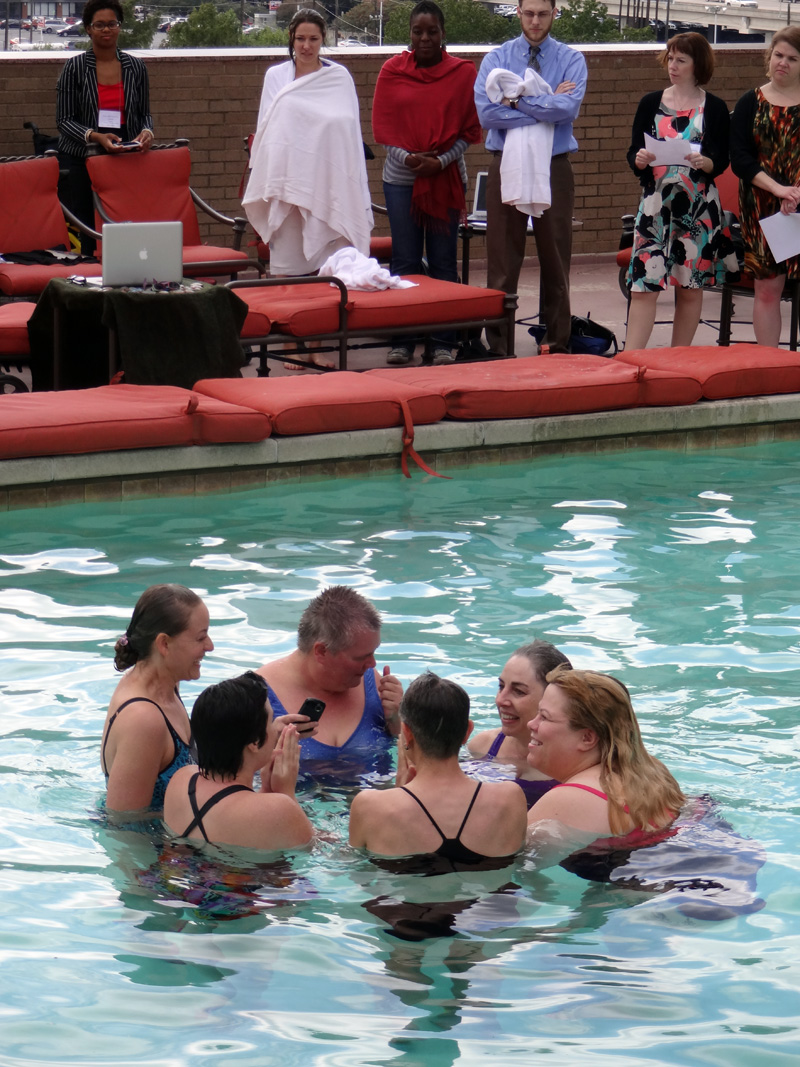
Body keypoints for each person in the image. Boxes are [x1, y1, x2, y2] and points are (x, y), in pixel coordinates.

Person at [372, 0, 481, 366]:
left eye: (432, 31)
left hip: (446, 178)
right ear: (410, 33)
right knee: (404, 261)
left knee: (443, 262)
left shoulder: (463, 73)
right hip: (401, 179)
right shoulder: (392, 71)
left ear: (443, 33)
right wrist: (411, 160)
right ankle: (403, 340)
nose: (424, 38)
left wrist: (440, 161)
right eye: (418, 31)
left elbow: (469, 129)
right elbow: (384, 129)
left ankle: (442, 342)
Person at [474, 0, 587, 356]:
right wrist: (544, 104)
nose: (535, 21)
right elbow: (487, 115)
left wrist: (515, 103)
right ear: (518, 13)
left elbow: (567, 109)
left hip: (554, 165)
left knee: (555, 257)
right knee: (503, 260)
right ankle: (499, 345)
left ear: (555, 13)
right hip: (505, 162)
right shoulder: (496, 59)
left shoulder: (572, 60)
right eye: (528, 13)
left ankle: (555, 341)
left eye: (542, 13)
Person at [243, 10, 373, 290]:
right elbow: (269, 132)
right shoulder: (276, 77)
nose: (306, 45)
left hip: (329, 185)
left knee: (326, 276)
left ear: (322, 39)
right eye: (300, 38)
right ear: (291, 39)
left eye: (313, 38)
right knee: (287, 271)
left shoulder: (339, 77)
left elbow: (349, 133)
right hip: (289, 186)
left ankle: (318, 335)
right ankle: (288, 332)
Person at [625, 33, 738, 351]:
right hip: (655, 207)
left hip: (697, 209)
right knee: (643, 284)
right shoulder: (650, 102)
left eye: (680, 60)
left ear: (697, 65)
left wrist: (706, 161)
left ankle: (679, 359)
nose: (672, 65)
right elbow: (635, 149)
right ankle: (630, 359)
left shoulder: (714, 107)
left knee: (690, 286)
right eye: (670, 58)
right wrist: (639, 159)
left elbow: (722, 159)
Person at [349, 671, 527, 869]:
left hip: (403, 899)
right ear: (467, 731)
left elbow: (358, 877)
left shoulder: (369, 807)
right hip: (492, 899)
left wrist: (398, 794)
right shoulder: (510, 798)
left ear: (406, 733)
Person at [526, 665, 685, 846]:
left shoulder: (568, 799)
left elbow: (514, 868)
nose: (531, 723)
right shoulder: (653, 773)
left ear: (587, 738)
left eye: (544, 717)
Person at [255, 586, 403, 780]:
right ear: (322, 651)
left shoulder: (372, 683)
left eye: (373, 652)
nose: (372, 664)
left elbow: (419, 759)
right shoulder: (257, 697)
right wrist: (265, 744)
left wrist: (397, 721)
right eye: (361, 658)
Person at [164, 672, 313, 850]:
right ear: (255, 742)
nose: (275, 729)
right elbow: (312, 848)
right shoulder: (280, 809)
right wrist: (286, 792)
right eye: (271, 721)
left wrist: (266, 789)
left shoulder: (181, 779)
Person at [102, 584, 213, 812]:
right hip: (160, 847)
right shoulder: (143, 719)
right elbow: (124, 826)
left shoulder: (168, 684)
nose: (209, 646)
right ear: (164, 644)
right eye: (200, 638)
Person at [56, 0, 154, 252]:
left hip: (125, 153)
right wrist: (94, 136)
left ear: (120, 27)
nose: (106, 30)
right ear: (88, 29)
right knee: (87, 222)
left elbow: (145, 113)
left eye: (112, 24)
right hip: (83, 154)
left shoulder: (136, 67)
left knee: (124, 218)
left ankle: (124, 272)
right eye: (99, 25)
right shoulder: (74, 67)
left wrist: (147, 131)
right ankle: (90, 275)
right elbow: (64, 120)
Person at [730, 26, 800, 347]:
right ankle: (769, 364)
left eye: (793, 58)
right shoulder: (750, 102)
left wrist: (796, 192)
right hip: (762, 208)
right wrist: (778, 190)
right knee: (768, 290)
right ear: (769, 57)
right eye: (778, 55)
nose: (782, 63)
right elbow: (740, 160)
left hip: (798, 204)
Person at [467, 639, 571, 808]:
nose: (501, 700)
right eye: (501, 686)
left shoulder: (572, 765)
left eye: (518, 691)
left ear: (552, 697)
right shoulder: (482, 746)